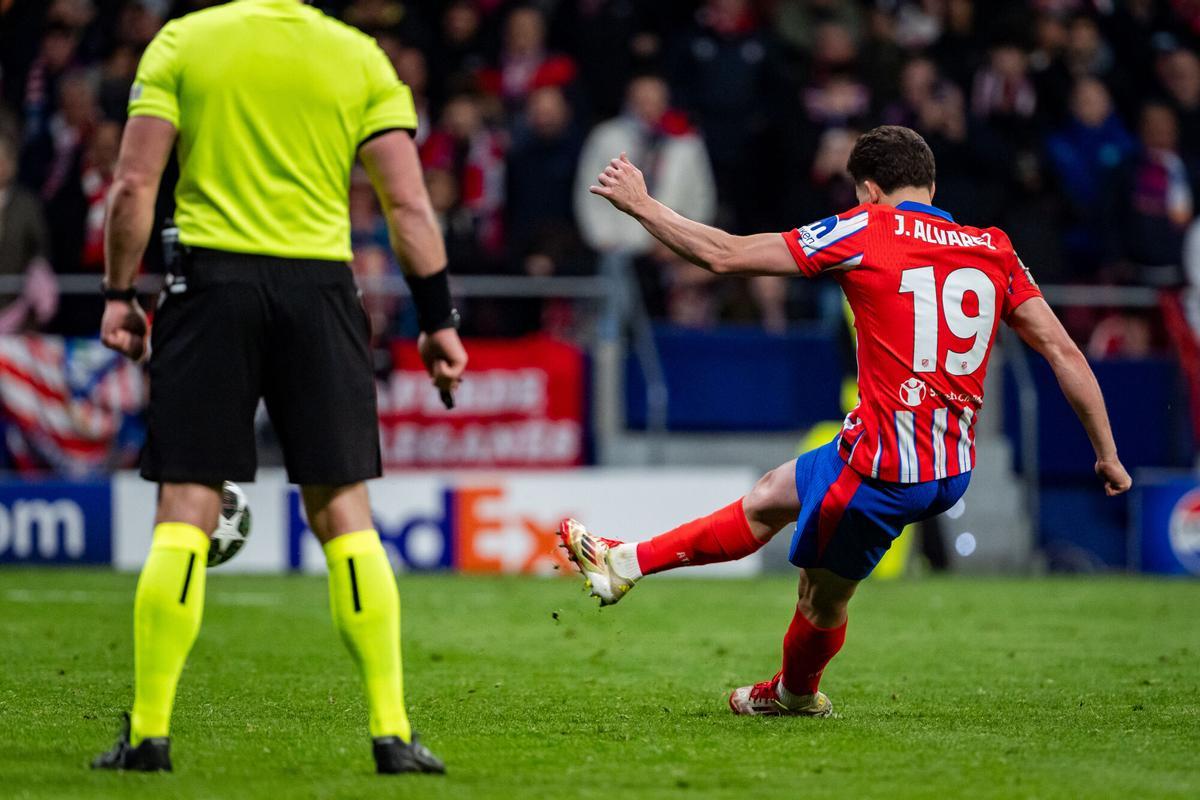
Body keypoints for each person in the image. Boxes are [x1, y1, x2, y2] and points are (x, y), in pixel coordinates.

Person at [559, 125, 1132, 717]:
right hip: (949, 464)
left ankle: (793, 696)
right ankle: (623, 563)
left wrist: (642, 205)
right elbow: (1065, 353)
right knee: (770, 495)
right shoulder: (992, 247)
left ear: (867, 191)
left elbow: (722, 255)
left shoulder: (866, 228)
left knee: (819, 601)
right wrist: (1107, 453)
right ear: (930, 183)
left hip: (882, 470)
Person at [92, 0, 466, 775]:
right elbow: (408, 205)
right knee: (343, 509)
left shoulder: (183, 42)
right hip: (319, 293)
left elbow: (133, 184)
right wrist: (438, 322)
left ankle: (151, 736)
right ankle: (392, 734)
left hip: (209, 284)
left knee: (187, 503)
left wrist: (118, 293)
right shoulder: (359, 56)